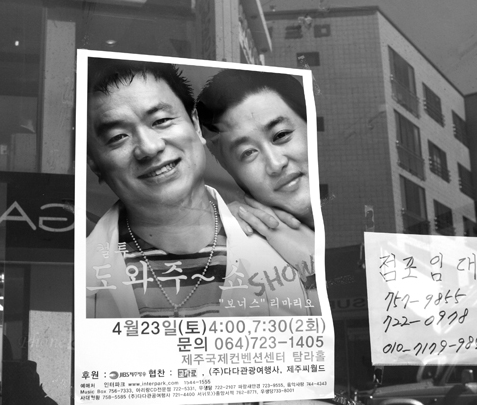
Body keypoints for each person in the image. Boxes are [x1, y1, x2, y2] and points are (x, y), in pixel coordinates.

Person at [85, 58, 317, 318]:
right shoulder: (80, 270)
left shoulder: (288, 250)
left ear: (195, 124)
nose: (149, 147)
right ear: (93, 162)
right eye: (118, 137)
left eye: (161, 121)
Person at [195, 69, 317, 301]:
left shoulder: (379, 209)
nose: (275, 164)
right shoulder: (233, 247)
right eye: (248, 153)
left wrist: (311, 261)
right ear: (233, 173)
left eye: (281, 135)